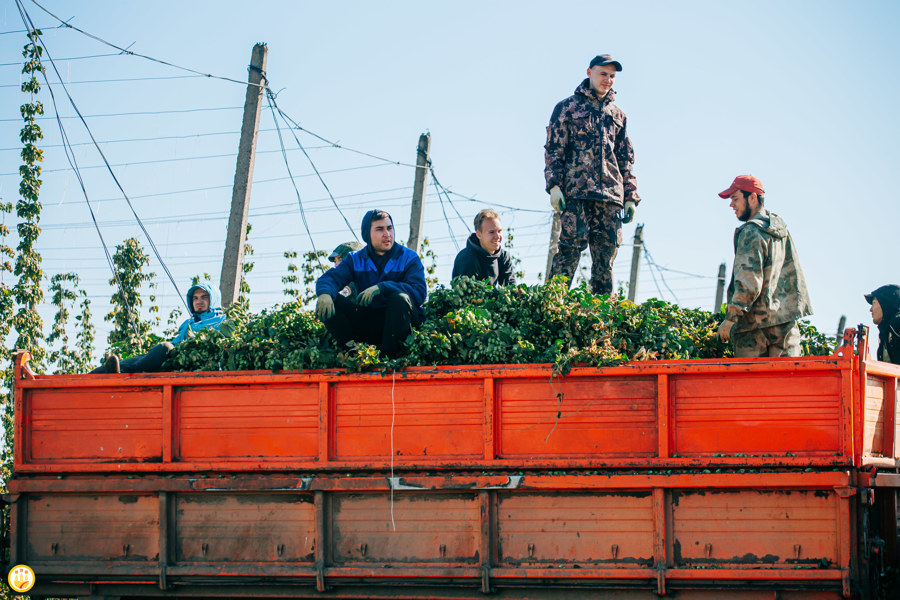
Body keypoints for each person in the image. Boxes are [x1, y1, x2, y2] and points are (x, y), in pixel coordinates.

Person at [544, 54, 640, 296]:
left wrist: (630, 196)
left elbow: (625, 159)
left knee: (605, 260)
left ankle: (602, 316)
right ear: (589, 73)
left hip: (610, 197)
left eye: (612, 76)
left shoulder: (618, 115)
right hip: (576, 192)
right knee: (568, 250)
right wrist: (554, 186)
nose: (607, 80)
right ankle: (552, 306)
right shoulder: (567, 108)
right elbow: (554, 149)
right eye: (603, 74)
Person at [716, 175, 812, 357]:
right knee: (789, 383)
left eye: (735, 199)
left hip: (754, 331)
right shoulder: (779, 229)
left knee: (752, 384)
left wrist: (731, 319)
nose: (731, 205)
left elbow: (749, 281)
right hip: (786, 326)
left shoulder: (751, 231)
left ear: (752, 197)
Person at [315, 209, 426, 358]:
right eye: (380, 229)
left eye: (389, 228)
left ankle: (388, 358)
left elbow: (419, 292)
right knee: (329, 298)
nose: (387, 234)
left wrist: (382, 287)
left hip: (401, 326)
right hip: (370, 324)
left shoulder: (409, 257)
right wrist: (324, 293)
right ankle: (353, 351)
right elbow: (330, 278)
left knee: (399, 299)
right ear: (367, 234)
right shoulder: (355, 259)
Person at [89, 282, 226, 374]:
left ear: (213, 299)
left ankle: (122, 374)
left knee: (164, 347)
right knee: (131, 360)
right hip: (170, 356)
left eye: (204, 297)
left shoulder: (221, 321)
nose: (199, 301)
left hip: (183, 360)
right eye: (195, 298)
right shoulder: (188, 323)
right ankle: (90, 377)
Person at [451, 209, 517, 286]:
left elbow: (511, 288)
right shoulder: (467, 258)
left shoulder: (503, 257)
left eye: (499, 231)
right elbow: (468, 294)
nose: (497, 236)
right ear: (479, 234)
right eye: (491, 232)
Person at [864, 284, 900, 364]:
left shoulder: (897, 323)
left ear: (885, 304)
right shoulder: (885, 331)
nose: (870, 309)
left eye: (874, 303)